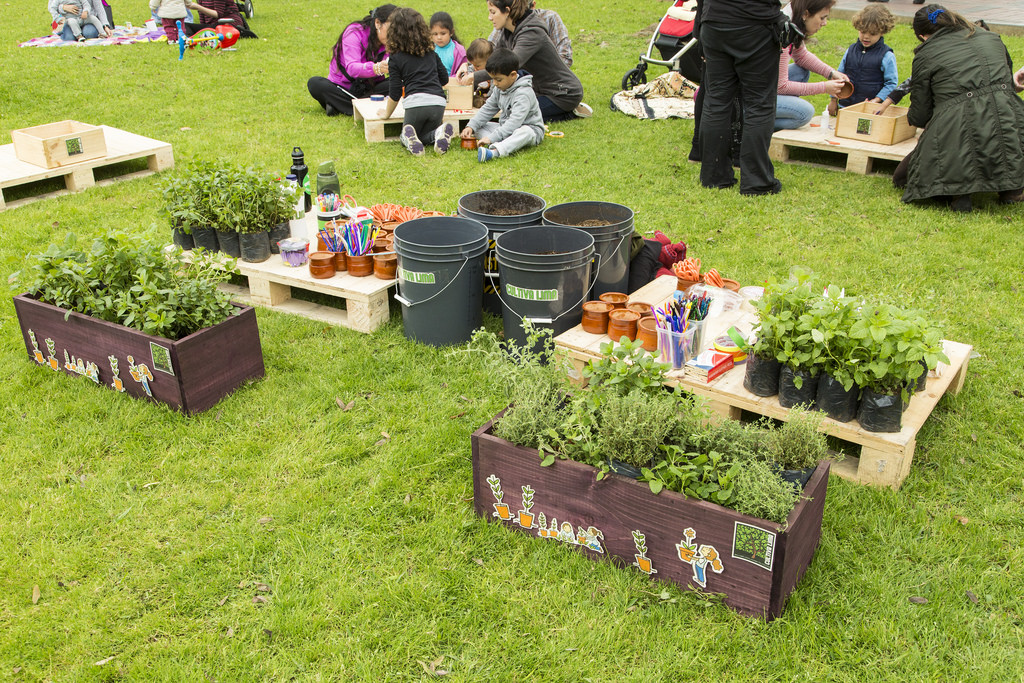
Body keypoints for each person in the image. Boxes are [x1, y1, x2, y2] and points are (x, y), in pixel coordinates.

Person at [893, 4, 1024, 211]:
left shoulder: (926, 54)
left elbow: (920, 112)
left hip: (958, 122)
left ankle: (959, 194)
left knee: (901, 178)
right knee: (995, 127)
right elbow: (1006, 79)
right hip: (1011, 116)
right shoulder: (990, 36)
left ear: (922, 36)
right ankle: (1011, 190)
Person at [697, 0, 784, 195]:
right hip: (755, 22)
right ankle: (757, 182)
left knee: (716, 101)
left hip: (714, 22)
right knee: (759, 104)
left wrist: (701, 25)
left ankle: (714, 177)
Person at [476, 0, 588, 122]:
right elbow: (494, 62)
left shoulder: (531, 33)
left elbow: (507, 65)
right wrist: (488, 94)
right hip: (538, 91)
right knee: (509, 110)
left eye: (493, 12)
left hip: (562, 94)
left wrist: (473, 77)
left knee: (515, 115)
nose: (489, 17)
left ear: (507, 11)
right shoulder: (507, 32)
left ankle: (569, 113)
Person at [378, 8, 457, 156]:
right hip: (438, 103)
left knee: (406, 134)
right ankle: (439, 132)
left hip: (415, 103)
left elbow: (395, 91)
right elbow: (444, 79)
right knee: (425, 136)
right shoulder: (431, 54)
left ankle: (408, 136)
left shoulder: (395, 58)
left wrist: (386, 114)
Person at [307, 5, 397, 117]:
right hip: (344, 88)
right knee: (315, 83)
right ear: (377, 23)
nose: (395, 35)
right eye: (392, 30)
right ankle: (358, 107)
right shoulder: (354, 33)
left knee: (402, 82)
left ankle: (338, 106)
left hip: (372, 87)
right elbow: (352, 68)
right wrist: (376, 68)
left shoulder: (395, 41)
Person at [775, 0, 850, 130]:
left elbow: (801, 56)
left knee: (801, 72)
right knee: (805, 112)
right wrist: (824, 87)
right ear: (805, 14)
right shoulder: (783, 31)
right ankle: (750, 124)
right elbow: (781, 87)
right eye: (822, 17)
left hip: (762, 87)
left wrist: (831, 73)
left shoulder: (791, 21)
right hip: (747, 97)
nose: (824, 23)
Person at [462, 48, 545, 162]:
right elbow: (488, 108)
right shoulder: (499, 87)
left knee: (525, 132)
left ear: (513, 75)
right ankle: (504, 142)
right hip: (505, 128)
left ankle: (494, 152)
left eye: (498, 79)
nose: (495, 83)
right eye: (493, 79)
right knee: (478, 127)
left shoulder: (523, 93)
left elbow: (514, 122)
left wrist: (491, 138)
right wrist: (471, 126)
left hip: (528, 130)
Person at [835, 4, 897, 109]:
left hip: (869, 108)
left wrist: (877, 100)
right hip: (845, 106)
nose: (866, 37)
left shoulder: (887, 55)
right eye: (863, 32)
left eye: (872, 33)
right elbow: (838, 76)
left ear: (882, 32)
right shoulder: (850, 51)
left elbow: (891, 83)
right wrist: (833, 99)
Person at [488, 1, 571, 67]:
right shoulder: (506, 23)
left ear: (533, 5)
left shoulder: (548, 19)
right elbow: (487, 51)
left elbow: (565, 58)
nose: (517, 15)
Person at [182, 0, 257, 39]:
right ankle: (191, 38)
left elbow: (218, 14)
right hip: (212, 25)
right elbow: (202, 16)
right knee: (184, 25)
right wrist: (202, 28)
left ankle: (239, 32)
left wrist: (198, 7)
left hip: (228, 21)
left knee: (216, 28)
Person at [457, 38, 494, 106]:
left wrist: (489, 95)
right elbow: (469, 72)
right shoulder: (474, 67)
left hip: (491, 97)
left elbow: (495, 87)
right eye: (473, 64)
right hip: (479, 94)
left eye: (477, 66)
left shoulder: (493, 72)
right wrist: (465, 76)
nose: (474, 68)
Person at [430, 12, 467, 78]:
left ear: (451, 32)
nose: (439, 37)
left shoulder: (459, 51)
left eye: (443, 33)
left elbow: (463, 72)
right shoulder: (429, 49)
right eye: (435, 34)